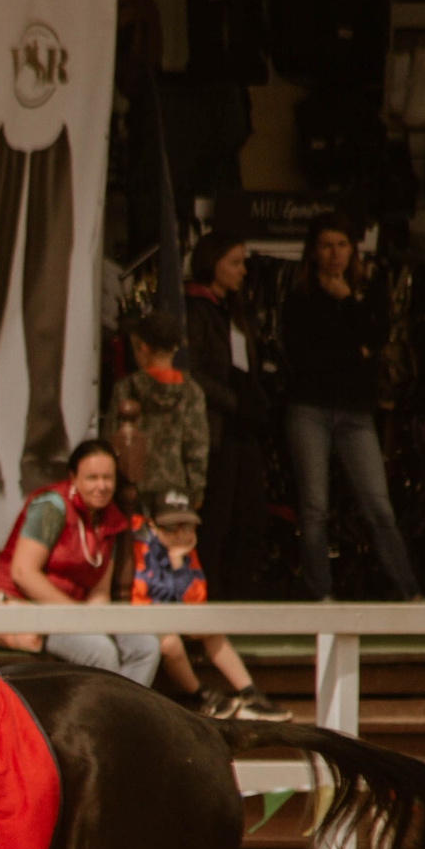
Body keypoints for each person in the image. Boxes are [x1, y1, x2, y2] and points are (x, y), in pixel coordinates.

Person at [281, 213, 422, 601]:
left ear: (353, 249)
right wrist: (352, 349)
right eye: (327, 245)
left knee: (378, 504)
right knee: (314, 506)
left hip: (356, 412)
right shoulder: (299, 295)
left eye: (342, 245)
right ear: (313, 251)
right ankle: (320, 594)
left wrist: (348, 304)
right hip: (310, 407)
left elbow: (374, 340)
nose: (335, 254)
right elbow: (304, 354)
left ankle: (409, 590)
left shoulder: (367, 290)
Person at [0, 439, 158, 685]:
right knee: (101, 651)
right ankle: (108, 718)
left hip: (78, 612)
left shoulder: (112, 519)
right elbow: (24, 573)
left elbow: (100, 590)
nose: (101, 486)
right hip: (31, 608)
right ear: (73, 478)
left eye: (108, 478)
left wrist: (92, 619)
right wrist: (77, 617)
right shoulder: (52, 506)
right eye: (92, 478)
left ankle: (123, 718)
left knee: (146, 647)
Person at [129, 492, 287, 720]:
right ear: (153, 525)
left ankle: (250, 694)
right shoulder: (140, 543)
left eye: (188, 526)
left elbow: (195, 600)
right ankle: (204, 696)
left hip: (172, 616)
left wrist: (179, 565)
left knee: (210, 629)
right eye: (171, 527)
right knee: (171, 643)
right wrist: (174, 566)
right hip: (142, 618)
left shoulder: (184, 549)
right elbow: (143, 596)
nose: (181, 533)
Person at [182, 230, 271, 595]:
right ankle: (210, 596)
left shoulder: (233, 310)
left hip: (241, 426)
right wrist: (236, 402)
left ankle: (234, 592)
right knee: (216, 517)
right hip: (215, 428)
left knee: (250, 514)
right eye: (234, 262)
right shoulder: (196, 308)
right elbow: (191, 372)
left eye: (243, 262)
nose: (243, 270)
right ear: (211, 263)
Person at [108, 306, 209, 519]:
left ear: (142, 347)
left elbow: (112, 438)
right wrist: (196, 490)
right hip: (175, 489)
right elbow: (197, 445)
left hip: (131, 488)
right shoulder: (191, 391)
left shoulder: (126, 388)